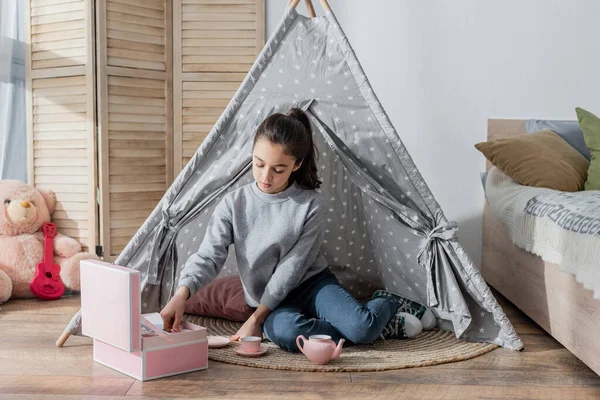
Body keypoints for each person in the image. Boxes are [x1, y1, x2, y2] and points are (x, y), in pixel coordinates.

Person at [160, 108, 435, 352]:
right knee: (287, 334)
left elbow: (292, 268)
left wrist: (256, 319)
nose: (266, 177)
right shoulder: (233, 203)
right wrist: (181, 295)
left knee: (361, 328)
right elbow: (209, 255)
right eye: (258, 164)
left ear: (297, 164)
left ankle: (386, 306)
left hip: (311, 284)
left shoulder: (311, 204)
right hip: (270, 301)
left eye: (278, 169)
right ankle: (373, 328)